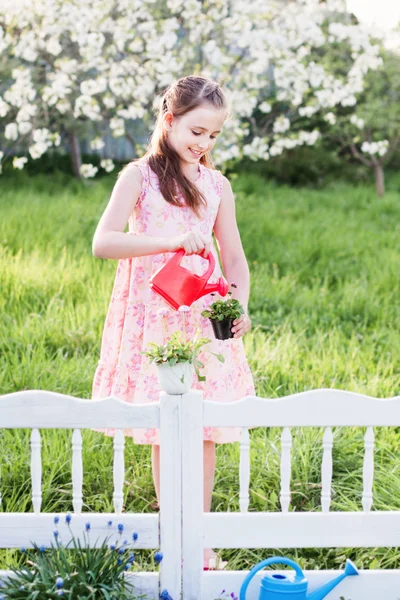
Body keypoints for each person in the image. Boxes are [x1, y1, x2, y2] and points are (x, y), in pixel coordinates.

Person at [91, 75, 255, 569]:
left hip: (202, 318)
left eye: (212, 135)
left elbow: (236, 260)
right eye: (195, 131)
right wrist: (170, 242)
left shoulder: (216, 185)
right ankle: (174, 533)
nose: (203, 143)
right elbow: (104, 242)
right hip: (155, 315)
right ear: (169, 120)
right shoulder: (139, 177)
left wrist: (239, 305)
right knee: (165, 427)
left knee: (202, 427)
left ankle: (199, 540)